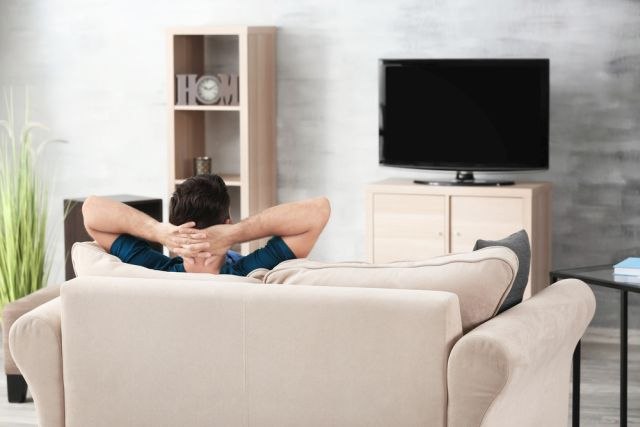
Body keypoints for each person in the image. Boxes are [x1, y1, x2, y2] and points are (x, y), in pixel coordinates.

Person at [82, 174, 330, 276]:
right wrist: (235, 233)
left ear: (175, 227)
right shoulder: (249, 273)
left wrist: (158, 231)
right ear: (227, 222)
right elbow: (318, 211)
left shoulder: (154, 271)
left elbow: (91, 210)